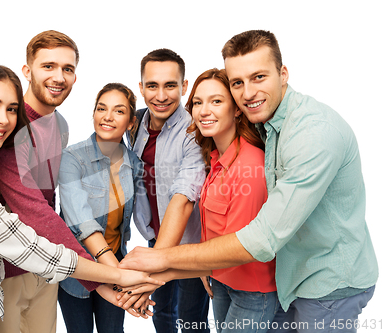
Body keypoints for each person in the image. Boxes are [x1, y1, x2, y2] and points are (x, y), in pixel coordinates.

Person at [120, 30, 378, 333]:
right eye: (238, 82)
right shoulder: (258, 130)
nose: (248, 93)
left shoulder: (312, 134)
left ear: (283, 74)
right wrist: (191, 268)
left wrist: (159, 261)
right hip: (286, 276)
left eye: (259, 77)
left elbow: (260, 239)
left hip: (327, 283)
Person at [0, 60, 163, 333]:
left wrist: (137, 268)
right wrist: (118, 276)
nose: (3, 119)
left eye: (11, 109)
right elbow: (30, 245)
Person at [0, 30, 122, 333]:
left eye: (68, 69)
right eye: (48, 66)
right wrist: (99, 276)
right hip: (6, 271)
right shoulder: (10, 124)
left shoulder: (60, 125)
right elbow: (34, 210)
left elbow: (51, 200)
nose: (59, 76)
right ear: (27, 71)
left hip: (48, 266)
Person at [185, 68, 277, 332]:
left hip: (251, 292)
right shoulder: (215, 158)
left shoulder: (251, 165)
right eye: (197, 103)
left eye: (216, 101)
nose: (203, 111)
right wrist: (207, 269)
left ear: (237, 109)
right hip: (221, 280)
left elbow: (238, 247)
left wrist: (165, 267)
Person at [57, 83, 154, 332]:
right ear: (94, 113)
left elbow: (144, 218)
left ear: (131, 123)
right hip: (77, 269)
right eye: (102, 108)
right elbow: (82, 222)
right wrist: (122, 278)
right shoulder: (72, 158)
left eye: (119, 111)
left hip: (117, 261)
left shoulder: (134, 163)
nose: (107, 117)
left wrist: (147, 272)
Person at [127, 48, 209, 333]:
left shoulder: (195, 130)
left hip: (189, 244)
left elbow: (184, 195)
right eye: (152, 85)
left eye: (170, 85)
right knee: (162, 315)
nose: (161, 96)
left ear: (184, 87)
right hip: (155, 237)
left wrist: (149, 269)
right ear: (141, 88)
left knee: (190, 321)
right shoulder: (135, 124)